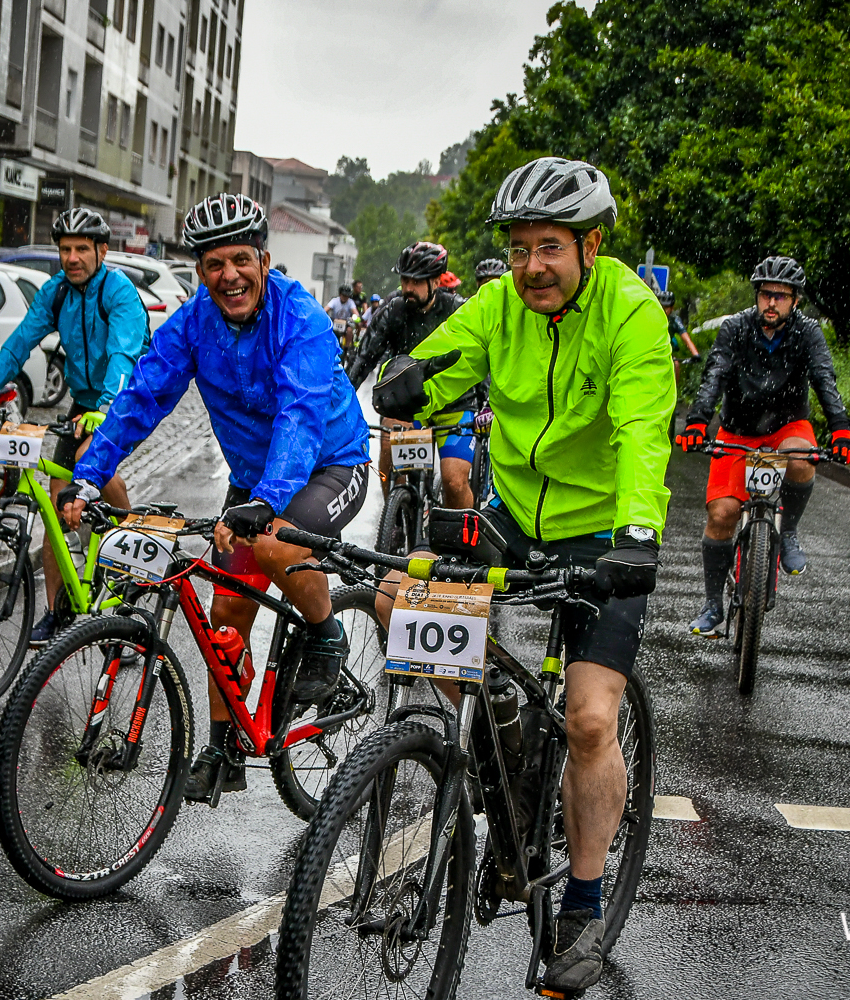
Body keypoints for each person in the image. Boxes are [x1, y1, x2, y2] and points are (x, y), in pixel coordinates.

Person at [370, 156, 675, 992]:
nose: (532, 265)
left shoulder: (630, 312)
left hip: (603, 533)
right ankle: (495, 726)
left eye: (550, 247)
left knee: (588, 720)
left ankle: (582, 901)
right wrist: (407, 383)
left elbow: (643, 428)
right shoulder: (500, 304)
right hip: (512, 517)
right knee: (400, 598)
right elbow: (442, 363)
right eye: (519, 247)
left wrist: (638, 531)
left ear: (590, 246)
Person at [59, 193, 370, 802]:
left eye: (240, 260)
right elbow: (143, 395)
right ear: (200, 272)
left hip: (331, 463)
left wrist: (269, 499)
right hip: (255, 481)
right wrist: (90, 474)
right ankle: (224, 748)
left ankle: (327, 633)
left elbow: (302, 416)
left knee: (276, 545)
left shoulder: (300, 317)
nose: (230, 276)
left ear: (264, 260)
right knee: (226, 613)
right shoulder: (194, 322)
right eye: (214, 265)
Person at [0, 207, 148, 645]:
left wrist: (107, 408)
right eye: (64, 249)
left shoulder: (118, 291)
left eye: (81, 249)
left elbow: (122, 355)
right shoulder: (56, 292)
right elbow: (19, 343)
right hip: (84, 402)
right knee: (57, 504)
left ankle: (130, 545)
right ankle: (56, 610)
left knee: (91, 460)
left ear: (102, 251)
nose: (72, 258)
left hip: (126, 398)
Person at [676, 255, 850, 635]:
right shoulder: (735, 328)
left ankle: (787, 531)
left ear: (795, 300)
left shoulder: (808, 332)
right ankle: (713, 605)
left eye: (781, 296)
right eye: (765, 294)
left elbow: (824, 378)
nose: (771, 303)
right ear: (756, 296)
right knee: (722, 515)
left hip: (787, 425)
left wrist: (841, 429)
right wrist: (696, 422)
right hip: (737, 431)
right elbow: (714, 375)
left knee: (802, 459)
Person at [347, 242, 476, 509]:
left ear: (436, 281)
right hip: (410, 404)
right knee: (388, 451)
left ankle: (459, 533)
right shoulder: (394, 311)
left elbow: (482, 353)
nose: (407, 288)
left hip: (455, 406)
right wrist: (341, 400)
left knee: (454, 482)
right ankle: (395, 514)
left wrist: (486, 401)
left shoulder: (458, 309)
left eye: (416, 282)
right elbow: (364, 358)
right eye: (405, 280)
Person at [660, 289, 701, 381]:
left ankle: (674, 388)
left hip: (667, 351)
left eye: (667, 307)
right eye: (662, 307)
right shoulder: (653, 316)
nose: (664, 310)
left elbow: (686, 339)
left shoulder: (674, 320)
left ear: (672, 308)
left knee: (676, 365)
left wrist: (695, 354)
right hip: (652, 350)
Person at [325, 283, 360, 354]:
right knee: (327, 330)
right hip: (334, 322)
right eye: (343, 295)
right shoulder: (334, 301)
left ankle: (347, 348)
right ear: (340, 294)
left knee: (349, 330)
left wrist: (355, 317)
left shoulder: (350, 302)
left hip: (346, 323)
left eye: (347, 296)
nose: (345, 297)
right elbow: (326, 309)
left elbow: (356, 313)